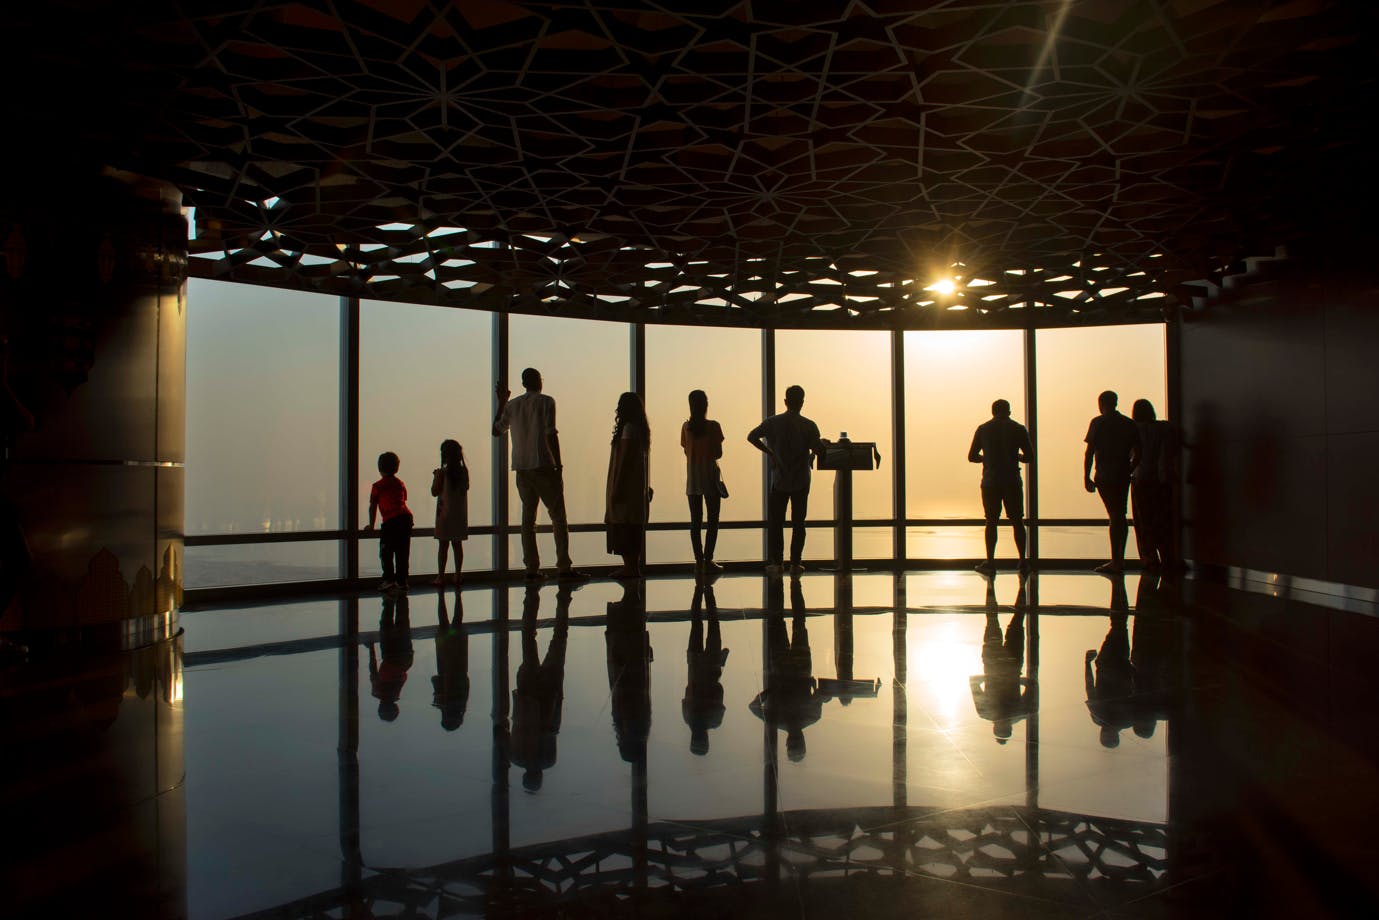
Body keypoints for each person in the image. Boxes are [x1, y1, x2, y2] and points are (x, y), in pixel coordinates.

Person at [494, 368, 584, 581]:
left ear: (524, 383)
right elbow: (550, 434)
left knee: (528, 520)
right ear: (539, 381)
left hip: (522, 469)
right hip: (543, 466)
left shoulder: (512, 405)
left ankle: (531, 569)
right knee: (558, 517)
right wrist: (558, 465)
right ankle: (563, 566)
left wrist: (502, 402)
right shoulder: (547, 402)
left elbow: (496, 430)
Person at [748, 384, 823, 577]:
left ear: (785, 401)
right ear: (802, 402)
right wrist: (814, 453)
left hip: (780, 479)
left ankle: (777, 563)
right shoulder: (809, 425)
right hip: (801, 480)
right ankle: (795, 563)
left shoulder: (773, 423)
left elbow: (752, 437)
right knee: (799, 523)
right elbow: (818, 448)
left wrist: (770, 453)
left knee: (776, 523)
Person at [750, 578, 822, 761]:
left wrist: (812, 687)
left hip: (801, 668)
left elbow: (819, 695)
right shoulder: (777, 720)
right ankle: (779, 582)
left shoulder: (812, 717)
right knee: (780, 622)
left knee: (799, 622)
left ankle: (793, 583)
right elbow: (754, 706)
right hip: (782, 668)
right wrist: (769, 692)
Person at [511, 584, 571, 791]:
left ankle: (563, 600)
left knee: (559, 638)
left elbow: (552, 727)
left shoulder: (547, 760)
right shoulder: (516, 756)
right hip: (528, 694)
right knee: (529, 641)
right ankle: (531, 601)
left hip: (547, 694)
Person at [968, 399, 1034, 575]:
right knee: (1017, 521)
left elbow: (972, 456)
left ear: (992, 411)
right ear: (1009, 411)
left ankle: (990, 562)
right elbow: (1029, 457)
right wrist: (1016, 457)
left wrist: (987, 459)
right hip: (1012, 480)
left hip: (991, 481)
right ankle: (1022, 560)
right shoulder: (1019, 429)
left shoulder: (983, 429)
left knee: (991, 521)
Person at [969, 575, 1036, 743]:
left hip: (1012, 665)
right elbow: (974, 682)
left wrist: (1013, 679)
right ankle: (993, 584)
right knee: (993, 619)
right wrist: (993, 678)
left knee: (1016, 620)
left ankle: (1021, 584)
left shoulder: (1018, 712)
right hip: (993, 663)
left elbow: (1031, 684)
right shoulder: (986, 712)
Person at [1083, 390, 1141, 574]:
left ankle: (1116, 561)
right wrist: (1128, 470)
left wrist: (1086, 476)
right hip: (1121, 475)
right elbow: (1139, 452)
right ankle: (1119, 558)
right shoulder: (1128, 424)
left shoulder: (1098, 423)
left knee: (1115, 516)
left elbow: (1090, 452)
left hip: (1105, 476)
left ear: (1101, 403)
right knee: (1119, 514)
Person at [605, 392, 652, 579]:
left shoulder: (628, 430)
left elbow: (623, 461)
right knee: (633, 526)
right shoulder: (639, 430)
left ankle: (630, 567)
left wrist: (617, 487)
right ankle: (632, 567)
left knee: (624, 525)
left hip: (626, 486)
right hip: (635, 487)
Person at [681, 390, 725, 574]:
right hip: (710, 479)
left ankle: (698, 563)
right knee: (712, 521)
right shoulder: (714, 426)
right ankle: (709, 560)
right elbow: (718, 453)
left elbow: (685, 449)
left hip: (693, 479)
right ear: (706, 405)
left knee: (695, 522)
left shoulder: (686, 427)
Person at [682, 583, 729, 755]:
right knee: (696, 623)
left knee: (713, 623)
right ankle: (699, 589)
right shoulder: (688, 717)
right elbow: (688, 691)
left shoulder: (715, 721)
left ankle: (706, 590)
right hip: (695, 665)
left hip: (712, 665)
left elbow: (719, 691)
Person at [1130, 399, 1176, 571]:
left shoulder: (1135, 429)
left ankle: (1150, 559)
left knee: (1143, 520)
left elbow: (1133, 453)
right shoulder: (1163, 428)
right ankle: (1167, 556)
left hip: (1141, 478)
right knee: (1162, 519)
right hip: (1161, 479)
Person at [367, 451, 413, 592]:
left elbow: (373, 506)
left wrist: (371, 525)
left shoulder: (377, 486)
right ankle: (402, 581)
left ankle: (388, 579)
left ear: (379, 467)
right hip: (405, 519)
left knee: (386, 551)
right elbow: (403, 500)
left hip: (390, 521)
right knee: (402, 552)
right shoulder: (400, 483)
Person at [430, 439, 469, 586]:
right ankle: (458, 575)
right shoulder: (464, 472)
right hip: (459, 515)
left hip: (444, 516)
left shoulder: (443, 473)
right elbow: (466, 488)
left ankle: (441, 576)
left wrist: (435, 476)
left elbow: (434, 491)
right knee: (457, 546)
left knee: (443, 547)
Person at [369, 593, 413, 722]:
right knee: (386, 621)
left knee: (402, 619)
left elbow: (403, 675)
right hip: (390, 655)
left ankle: (401, 594)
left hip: (405, 658)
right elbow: (373, 669)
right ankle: (389, 596)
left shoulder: (396, 693)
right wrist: (371, 647)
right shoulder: (378, 692)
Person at [432, 590, 470, 730]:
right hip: (445, 658)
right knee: (444, 624)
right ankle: (442, 596)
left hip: (458, 658)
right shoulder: (442, 700)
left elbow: (466, 681)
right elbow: (435, 679)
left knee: (456, 622)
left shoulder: (462, 699)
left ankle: (456, 596)